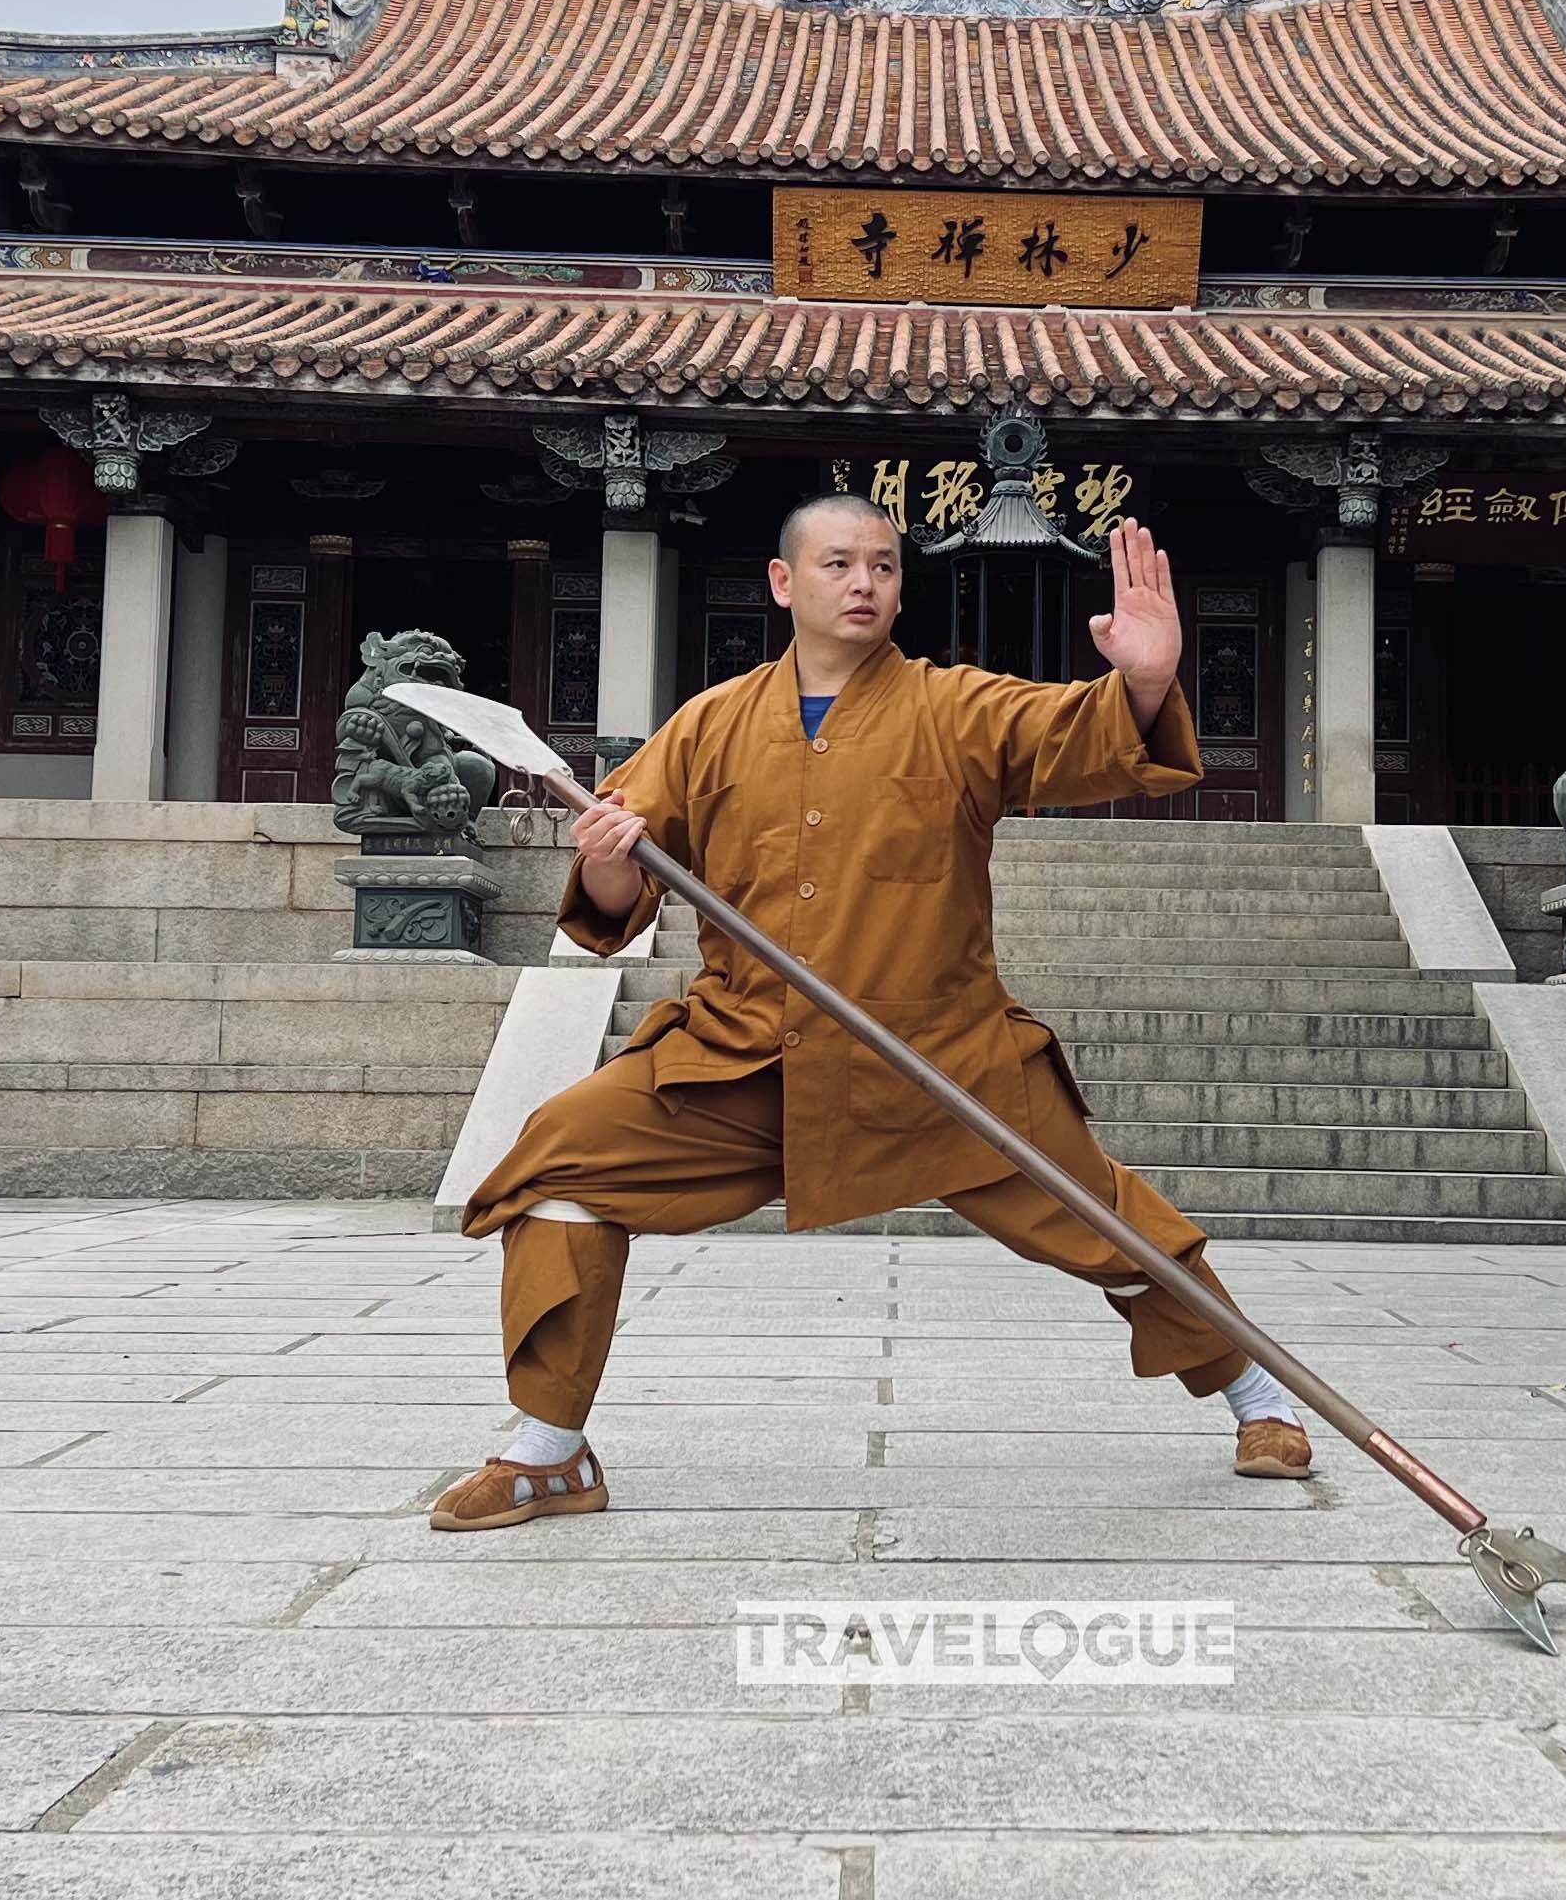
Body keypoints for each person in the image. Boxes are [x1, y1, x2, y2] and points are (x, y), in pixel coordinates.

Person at [431, 498, 1312, 1530]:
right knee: (557, 1161)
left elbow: (1076, 735)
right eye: (838, 563)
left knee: (1108, 1227)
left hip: (943, 1060)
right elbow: (617, 908)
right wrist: (604, 862)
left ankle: (1258, 1396)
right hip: (742, 1060)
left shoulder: (953, 708)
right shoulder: (707, 726)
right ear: (782, 582)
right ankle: (550, 1448)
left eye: (884, 567)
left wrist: (1147, 679)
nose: (862, 583)